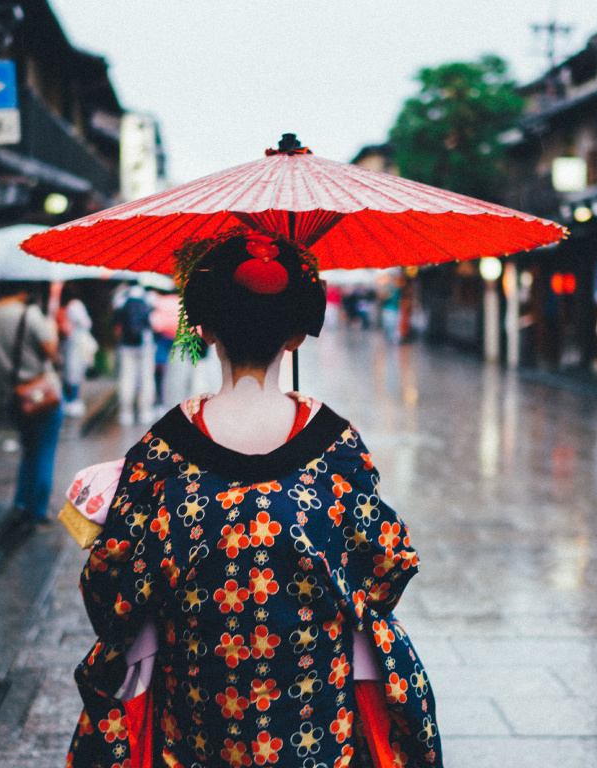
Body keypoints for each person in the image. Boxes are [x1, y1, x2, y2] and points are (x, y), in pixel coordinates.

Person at [67, 231, 442, 768]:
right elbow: (386, 569)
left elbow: (108, 589)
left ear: (204, 327)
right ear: (295, 334)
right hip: (316, 724)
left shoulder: (163, 451)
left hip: (198, 726)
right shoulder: (335, 447)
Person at [0, 282, 63, 524]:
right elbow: (52, 353)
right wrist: (52, 327)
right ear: (22, 290)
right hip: (40, 395)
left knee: (29, 449)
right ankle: (38, 511)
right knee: (44, 451)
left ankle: (21, 502)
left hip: (12, 396)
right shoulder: (30, 314)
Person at [113, 283, 157, 426]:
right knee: (146, 378)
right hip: (146, 344)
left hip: (126, 345)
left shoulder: (121, 298)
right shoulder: (149, 297)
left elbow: (116, 324)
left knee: (126, 378)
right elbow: (153, 323)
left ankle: (126, 413)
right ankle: (145, 412)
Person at [60, 288, 96, 418]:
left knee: (71, 371)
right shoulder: (76, 305)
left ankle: (70, 400)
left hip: (71, 343)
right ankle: (73, 400)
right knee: (75, 371)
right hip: (77, 344)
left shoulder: (66, 306)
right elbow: (86, 323)